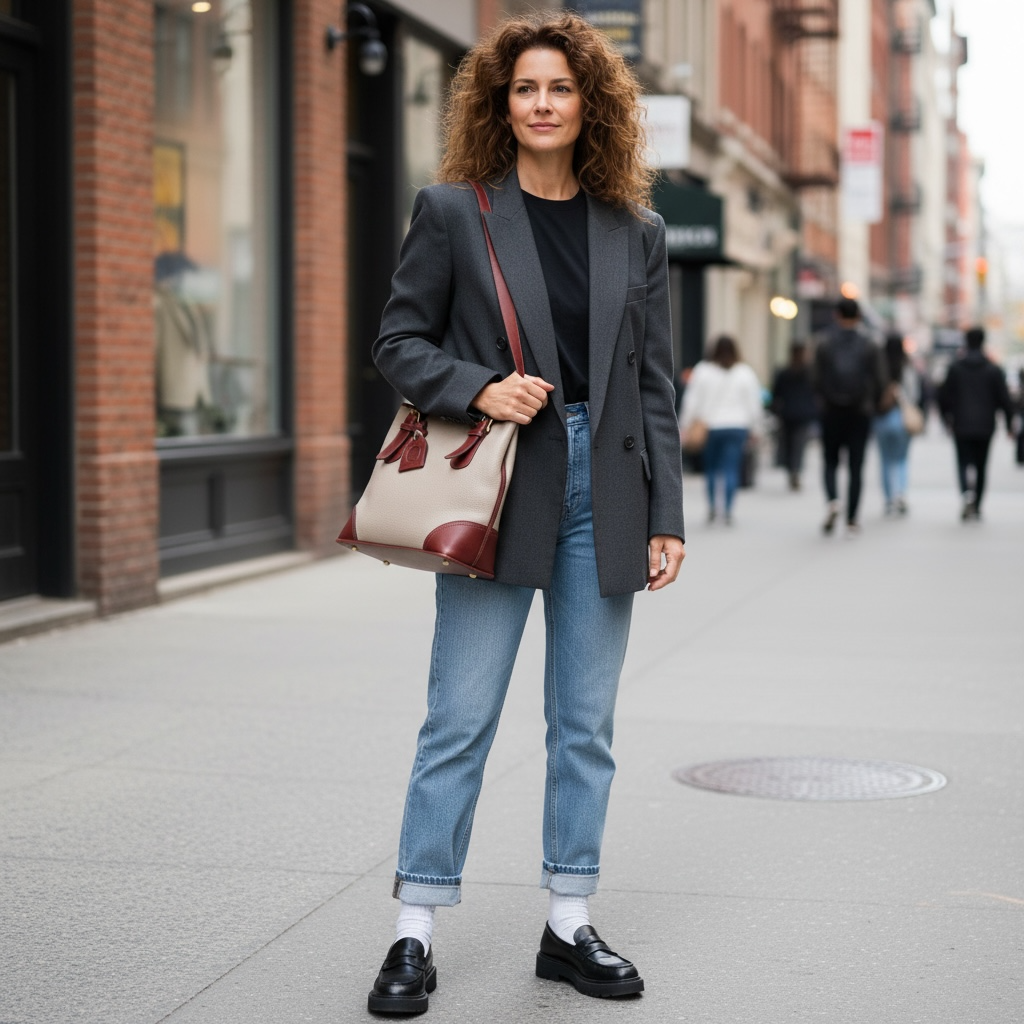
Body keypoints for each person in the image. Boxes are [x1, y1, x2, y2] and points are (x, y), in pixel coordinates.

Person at [365, 14, 685, 1015]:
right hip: (500, 483)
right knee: (458, 718)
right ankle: (415, 929)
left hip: (610, 490)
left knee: (582, 726)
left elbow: (654, 384)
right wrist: (477, 386)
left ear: (589, 105)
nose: (542, 103)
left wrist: (666, 512)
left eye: (560, 88)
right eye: (524, 89)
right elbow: (397, 344)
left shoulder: (636, 233)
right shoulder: (453, 211)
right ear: (500, 106)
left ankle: (567, 921)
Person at [812, 297, 888, 535]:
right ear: (858, 317)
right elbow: (881, 380)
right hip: (859, 412)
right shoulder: (869, 343)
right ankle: (852, 518)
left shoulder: (823, 342)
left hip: (831, 411)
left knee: (830, 461)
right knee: (856, 465)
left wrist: (824, 399)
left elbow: (813, 378)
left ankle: (833, 500)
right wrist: (873, 404)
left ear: (836, 315)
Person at [680, 335, 762, 524]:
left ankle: (712, 508)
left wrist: (684, 425)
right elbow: (753, 404)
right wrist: (756, 428)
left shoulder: (702, 370)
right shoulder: (745, 372)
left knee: (710, 469)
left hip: (710, 426)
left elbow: (691, 401)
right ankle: (727, 510)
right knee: (730, 469)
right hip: (737, 427)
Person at [936, 326, 1014, 521]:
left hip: (961, 424)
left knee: (963, 461)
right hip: (985, 425)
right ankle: (977, 504)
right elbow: (1004, 399)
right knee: (981, 465)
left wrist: (946, 418)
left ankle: (966, 494)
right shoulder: (993, 370)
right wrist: (1010, 424)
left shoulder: (955, 368)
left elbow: (943, 397)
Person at [873, 332, 922, 516]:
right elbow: (915, 395)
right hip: (903, 419)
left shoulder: (879, 367)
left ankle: (888, 500)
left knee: (885, 460)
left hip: (882, 418)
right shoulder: (906, 367)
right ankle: (900, 492)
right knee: (901, 459)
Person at [769, 340, 818, 492]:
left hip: (788, 414)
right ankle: (795, 470)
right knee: (798, 445)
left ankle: (792, 470)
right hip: (801, 414)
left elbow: (776, 394)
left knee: (790, 445)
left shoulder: (786, 372)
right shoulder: (809, 373)